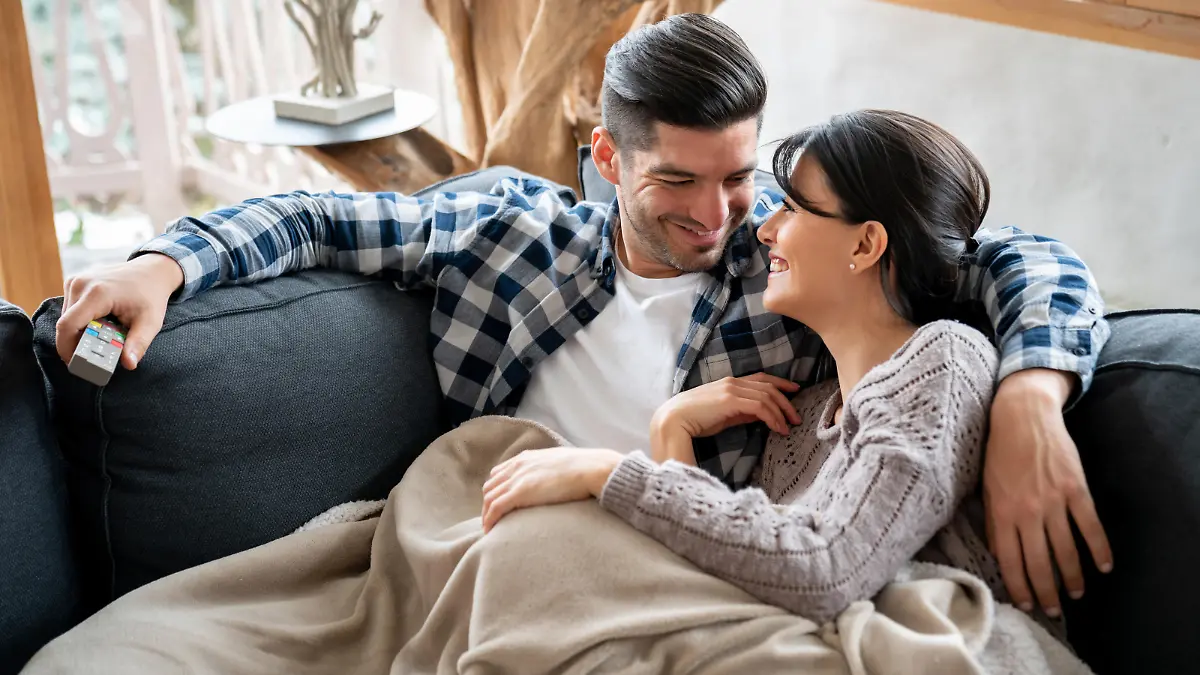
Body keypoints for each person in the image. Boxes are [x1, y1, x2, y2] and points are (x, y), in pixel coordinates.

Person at [56, 14, 1110, 620]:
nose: (715, 216)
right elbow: (327, 215)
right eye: (677, 182)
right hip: (499, 541)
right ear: (608, 160)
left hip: (672, 573)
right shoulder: (509, 229)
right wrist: (165, 262)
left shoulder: (793, 266)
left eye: (738, 177)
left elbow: (1008, 256)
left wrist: (1032, 394)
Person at [481, 109, 1034, 625]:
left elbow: (825, 570)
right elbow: (718, 583)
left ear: (865, 244)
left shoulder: (943, 361)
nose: (766, 230)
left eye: (792, 209)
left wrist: (608, 472)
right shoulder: (801, 421)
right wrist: (671, 429)